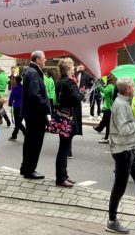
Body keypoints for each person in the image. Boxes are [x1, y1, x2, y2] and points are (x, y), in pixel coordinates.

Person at [107, 76, 135, 234]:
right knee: (120, 186)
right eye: (132, 86)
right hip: (123, 150)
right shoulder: (121, 105)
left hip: (131, 148)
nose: (134, 88)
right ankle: (112, 221)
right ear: (128, 89)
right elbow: (123, 129)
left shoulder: (125, 103)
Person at [20, 50, 50, 180]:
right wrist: (45, 107)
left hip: (32, 113)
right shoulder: (33, 73)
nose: (45, 60)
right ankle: (30, 170)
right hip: (36, 115)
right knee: (35, 143)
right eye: (44, 58)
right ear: (37, 59)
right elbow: (35, 95)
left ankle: (25, 168)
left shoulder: (31, 71)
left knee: (29, 142)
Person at [54, 58, 82, 188]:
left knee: (64, 148)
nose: (74, 69)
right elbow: (76, 99)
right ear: (68, 69)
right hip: (68, 118)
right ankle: (61, 178)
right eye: (72, 67)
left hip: (62, 116)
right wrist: (81, 93)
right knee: (64, 149)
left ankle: (64, 174)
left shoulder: (60, 81)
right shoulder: (70, 83)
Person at [94, 75, 116, 143]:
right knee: (107, 123)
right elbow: (105, 94)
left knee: (108, 124)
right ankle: (106, 137)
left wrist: (98, 83)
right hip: (110, 107)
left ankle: (106, 138)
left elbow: (104, 91)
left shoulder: (109, 87)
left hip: (108, 108)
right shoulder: (112, 86)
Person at [8, 74, 25, 141]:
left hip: (17, 106)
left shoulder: (15, 87)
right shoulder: (23, 87)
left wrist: (10, 103)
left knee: (18, 122)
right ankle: (14, 135)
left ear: (16, 80)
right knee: (19, 122)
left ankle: (25, 132)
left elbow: (12, 96)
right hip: (23, 106)